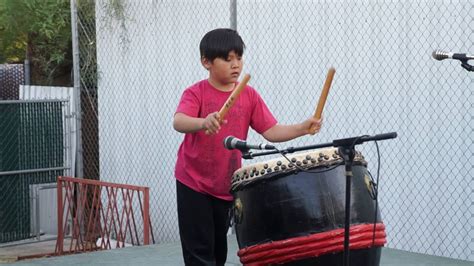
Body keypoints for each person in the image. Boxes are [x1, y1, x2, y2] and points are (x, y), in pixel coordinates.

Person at [173, 28, 323, 266]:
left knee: (218, 252)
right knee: (199, 253)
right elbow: (179, 121)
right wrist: (204, 122)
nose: (236, 65)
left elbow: (271, 131)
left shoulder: (249, 95)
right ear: (206, 62)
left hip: (225, 185)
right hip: (193, 182)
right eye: (227, 58)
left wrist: (302, 128)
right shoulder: (196, 92)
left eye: (239, 58)